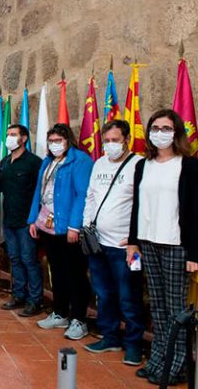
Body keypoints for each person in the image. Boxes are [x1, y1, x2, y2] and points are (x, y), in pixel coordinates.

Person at [128, 109, 198, 385]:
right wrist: (133, 241)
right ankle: (158, 359)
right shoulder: (142, 165)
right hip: (148, 242)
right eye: (155, 128)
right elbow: (137, 206)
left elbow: (195, 211)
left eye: (166, 128)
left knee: (175, 309)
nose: (160, 133)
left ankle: (175, 365)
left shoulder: (189, 166)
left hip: (175, 244)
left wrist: (194, 253)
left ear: (177, 132)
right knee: (157, 306)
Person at [81, 120, 144, 366]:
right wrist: (87, 225)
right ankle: (110, 337)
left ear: (126, 139)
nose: (110, 145)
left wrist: (134, 238)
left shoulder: (138, 165)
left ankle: (134, 345)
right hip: (98, 243)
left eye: (115, 140)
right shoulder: (99, 163)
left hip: (128, 247)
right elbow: (91, 195)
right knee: (104, 293)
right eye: (106, 141)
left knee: (130, 295)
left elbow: (142, 204)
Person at [28, 124, 93, 340]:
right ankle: (60, 312)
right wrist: (32, 220)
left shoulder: (80, 160)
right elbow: (39, 191)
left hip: (68, 228)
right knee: (56, 271)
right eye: (51, 141)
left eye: (58, 140)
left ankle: (79, 319)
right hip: (47, 225)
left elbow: (81, 195)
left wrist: (75, 226)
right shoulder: (48, 161)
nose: (54, 144)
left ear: (68, 140)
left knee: (75, 273)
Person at [0, 125, 44, 316]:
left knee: (29, 260)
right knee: (15, 259)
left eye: (13, 135)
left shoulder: (34, 162)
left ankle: (35, 300)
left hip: (27, 221)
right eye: (8, 135)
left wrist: (34, 220)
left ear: (24, 138)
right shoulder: (5, 162)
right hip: (9, 219)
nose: (9, 138)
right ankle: (19, 295)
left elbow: (40, 193)